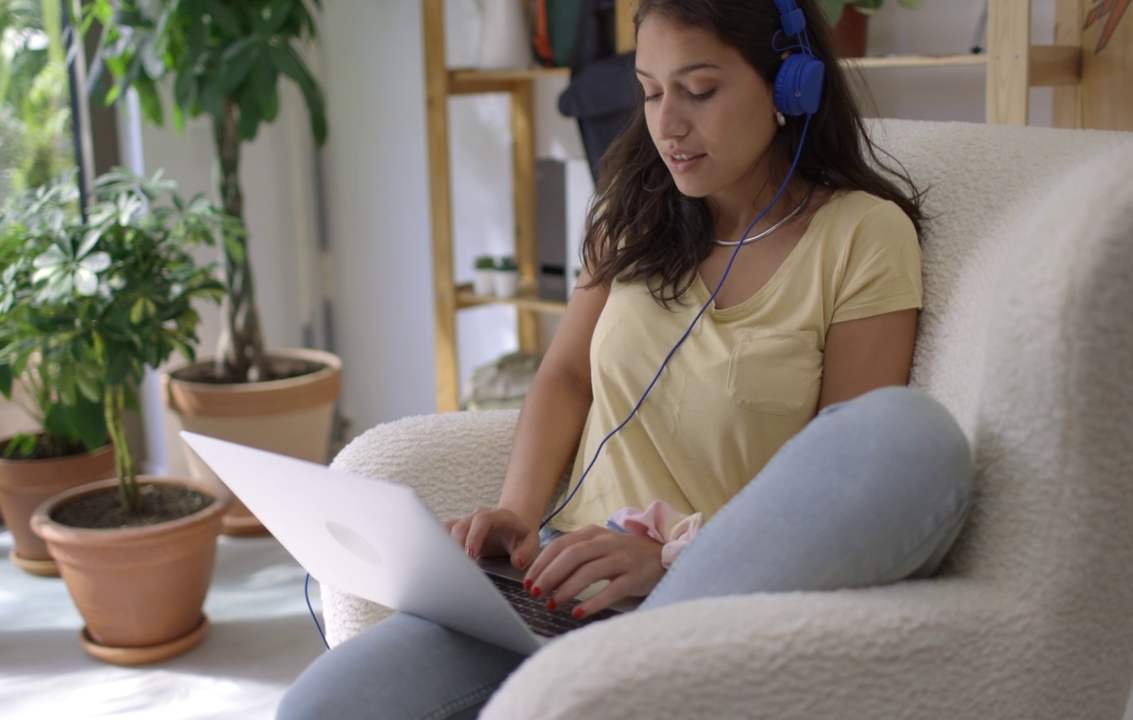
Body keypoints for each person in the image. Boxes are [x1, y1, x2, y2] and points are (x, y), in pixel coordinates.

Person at [278, 0, 973, 717]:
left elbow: (845, 472)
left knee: (908, 433)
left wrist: (672, 561)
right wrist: (518, 511)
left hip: (703, 599)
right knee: (317, 708)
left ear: (790, 85)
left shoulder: (862, 235)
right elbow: (567, 375)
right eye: (649, 91)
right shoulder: (632, 210)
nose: (668, 124)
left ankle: (620, 675)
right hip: (559, 580)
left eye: (699, 91)